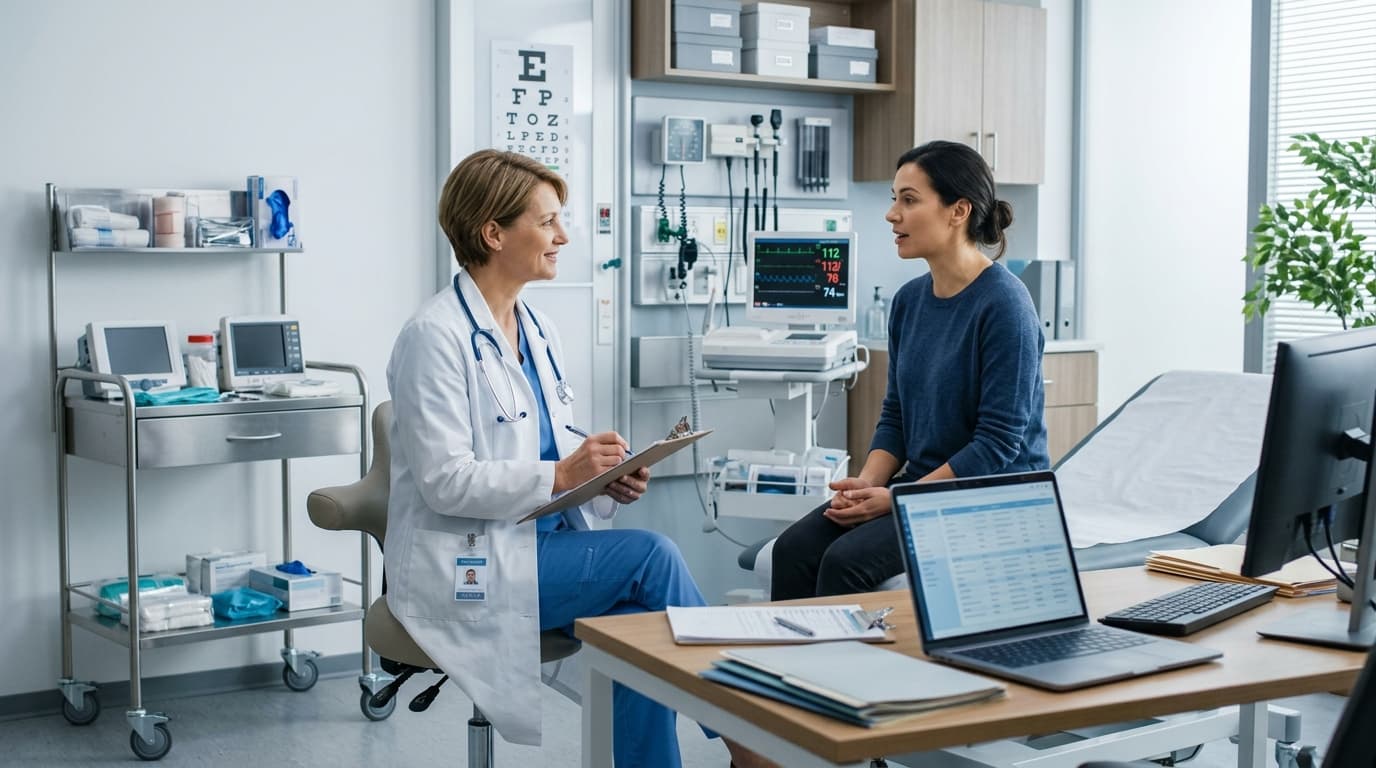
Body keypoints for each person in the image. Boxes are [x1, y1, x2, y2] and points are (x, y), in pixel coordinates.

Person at [386, 150, 773, 768]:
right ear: (494, 233)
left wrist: (601, 474)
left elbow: (546, 440)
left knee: (639, 625)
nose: (563, 235)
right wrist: (566, 474)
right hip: (470, 559)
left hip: (543, 540)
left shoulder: (534, 326)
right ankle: (750, 742)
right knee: (653, 558)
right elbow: (444, 482)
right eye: (546, 222)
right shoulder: (434, 337)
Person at [771, 140, 1051, 600]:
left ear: (958, 211)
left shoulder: (1005, 305)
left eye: (909, 199)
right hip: (925, 488)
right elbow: (896, 415)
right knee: (793, 549)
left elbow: (999, 444)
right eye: (893, 199)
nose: (891, 214)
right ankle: (783, 668)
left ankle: (837, 672)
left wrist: (901, 499)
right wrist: (866, 485)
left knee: (846, 563)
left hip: (992, 499)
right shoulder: (909, 302)